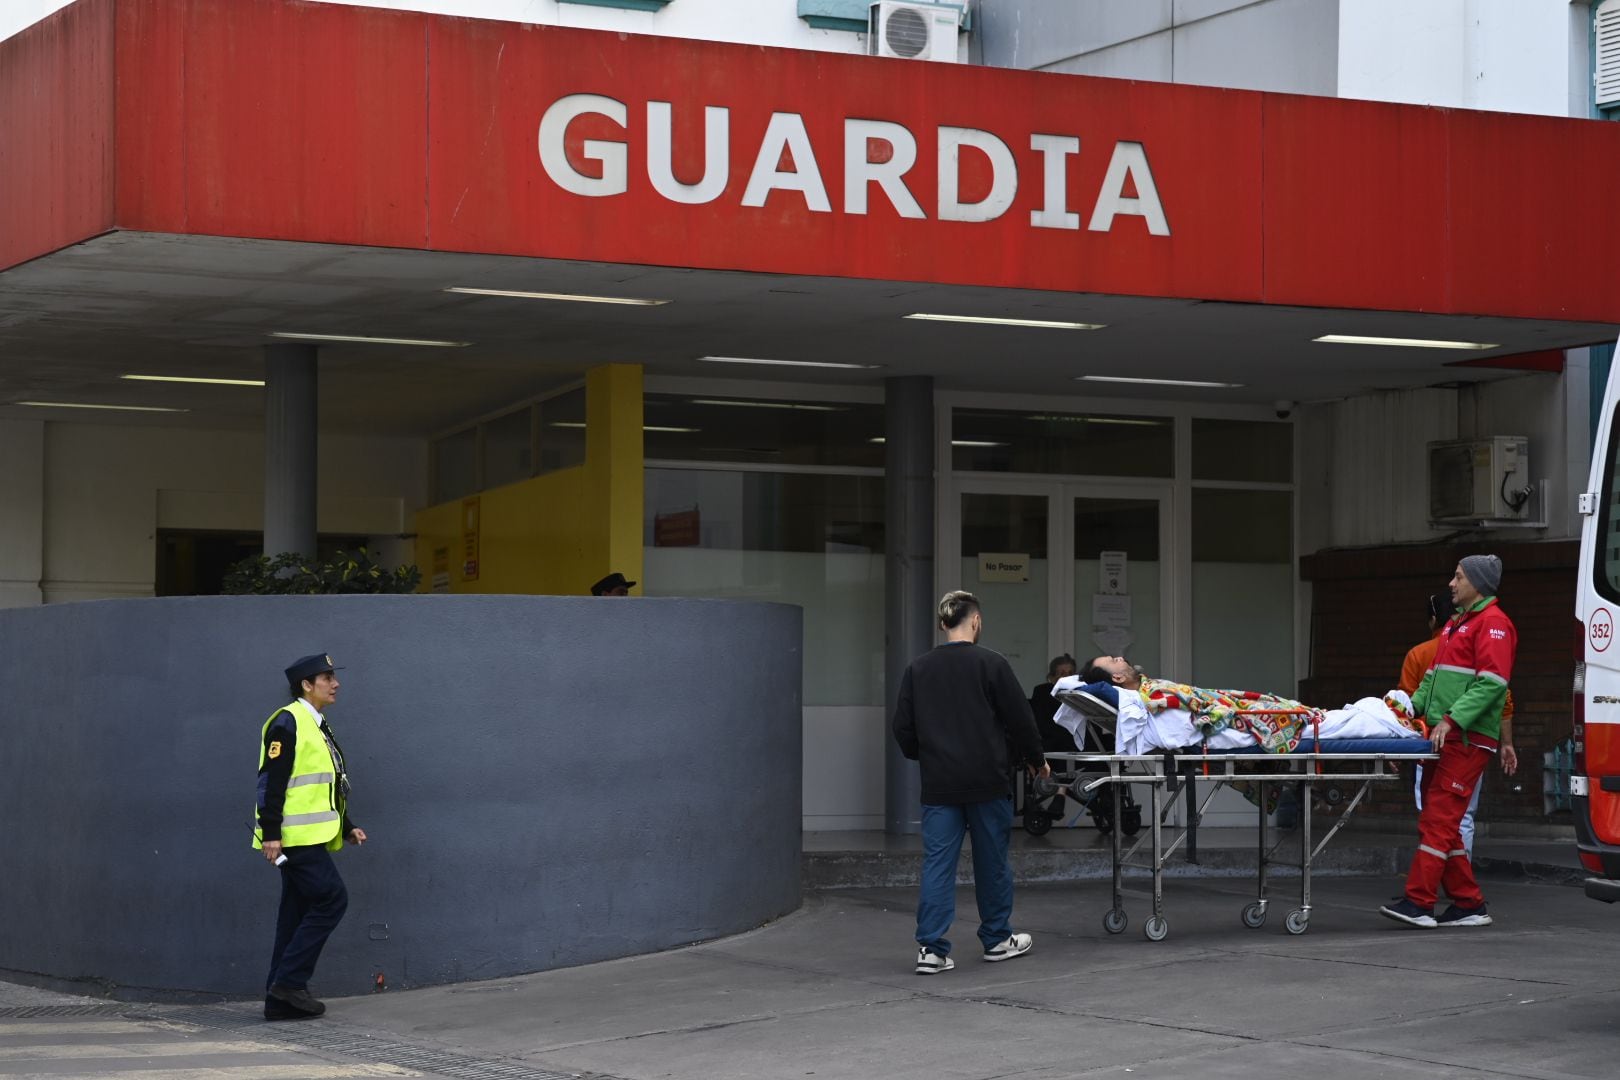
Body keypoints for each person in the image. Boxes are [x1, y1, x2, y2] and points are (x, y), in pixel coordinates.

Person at [892, 591, 1048, 975]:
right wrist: (1035, 760)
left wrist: (925, 755)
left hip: (940, 784)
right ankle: (996, 939)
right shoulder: (992, 664)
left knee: (937, 865)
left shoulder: (918, 668)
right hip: (987, 782)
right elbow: (1020, 719)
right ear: (975, 621)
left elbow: (903, 729)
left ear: (943, 624)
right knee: (992, 862)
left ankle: (931, 949)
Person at [1381, 556, 1516, 929]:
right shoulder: (1457, 625)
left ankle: (1419, 901)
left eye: (1458, 577)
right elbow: (1429, 683)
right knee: (1442, 822)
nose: (1452, 584)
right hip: (1446, 737)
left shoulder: (1493, 625)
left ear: (1478, 583)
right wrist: (1404, 710)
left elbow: (1493, 684)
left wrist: (1452, 720)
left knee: (1439, 818)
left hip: (1466, 739)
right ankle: (1469, 904)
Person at [253, 653, 367, 1020]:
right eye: (327, 677)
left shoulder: (317, 724)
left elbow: (325, 784)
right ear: (306, 684)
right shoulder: (288, 723)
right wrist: (271, 833)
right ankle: (289, 982)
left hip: (310, 835)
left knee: (295, 913)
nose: (336, 684)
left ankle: (278, 1001)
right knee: (332, 899)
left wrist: (346, 825)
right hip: (293, 838)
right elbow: (271, 782)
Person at [1401, 592, 1519, 855]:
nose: (1453, 584)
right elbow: (1504, 699)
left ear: (1433, 620)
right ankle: (1459, 881)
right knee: (1462, 814)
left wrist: (1400, 735)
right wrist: (1507, 743)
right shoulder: (1465, 639)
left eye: (1459, 577)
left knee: (1433, 814)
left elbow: (1408, 703)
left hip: (1434, 741)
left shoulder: (1420, 653)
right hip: (1471, 739)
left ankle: (1433, 882)